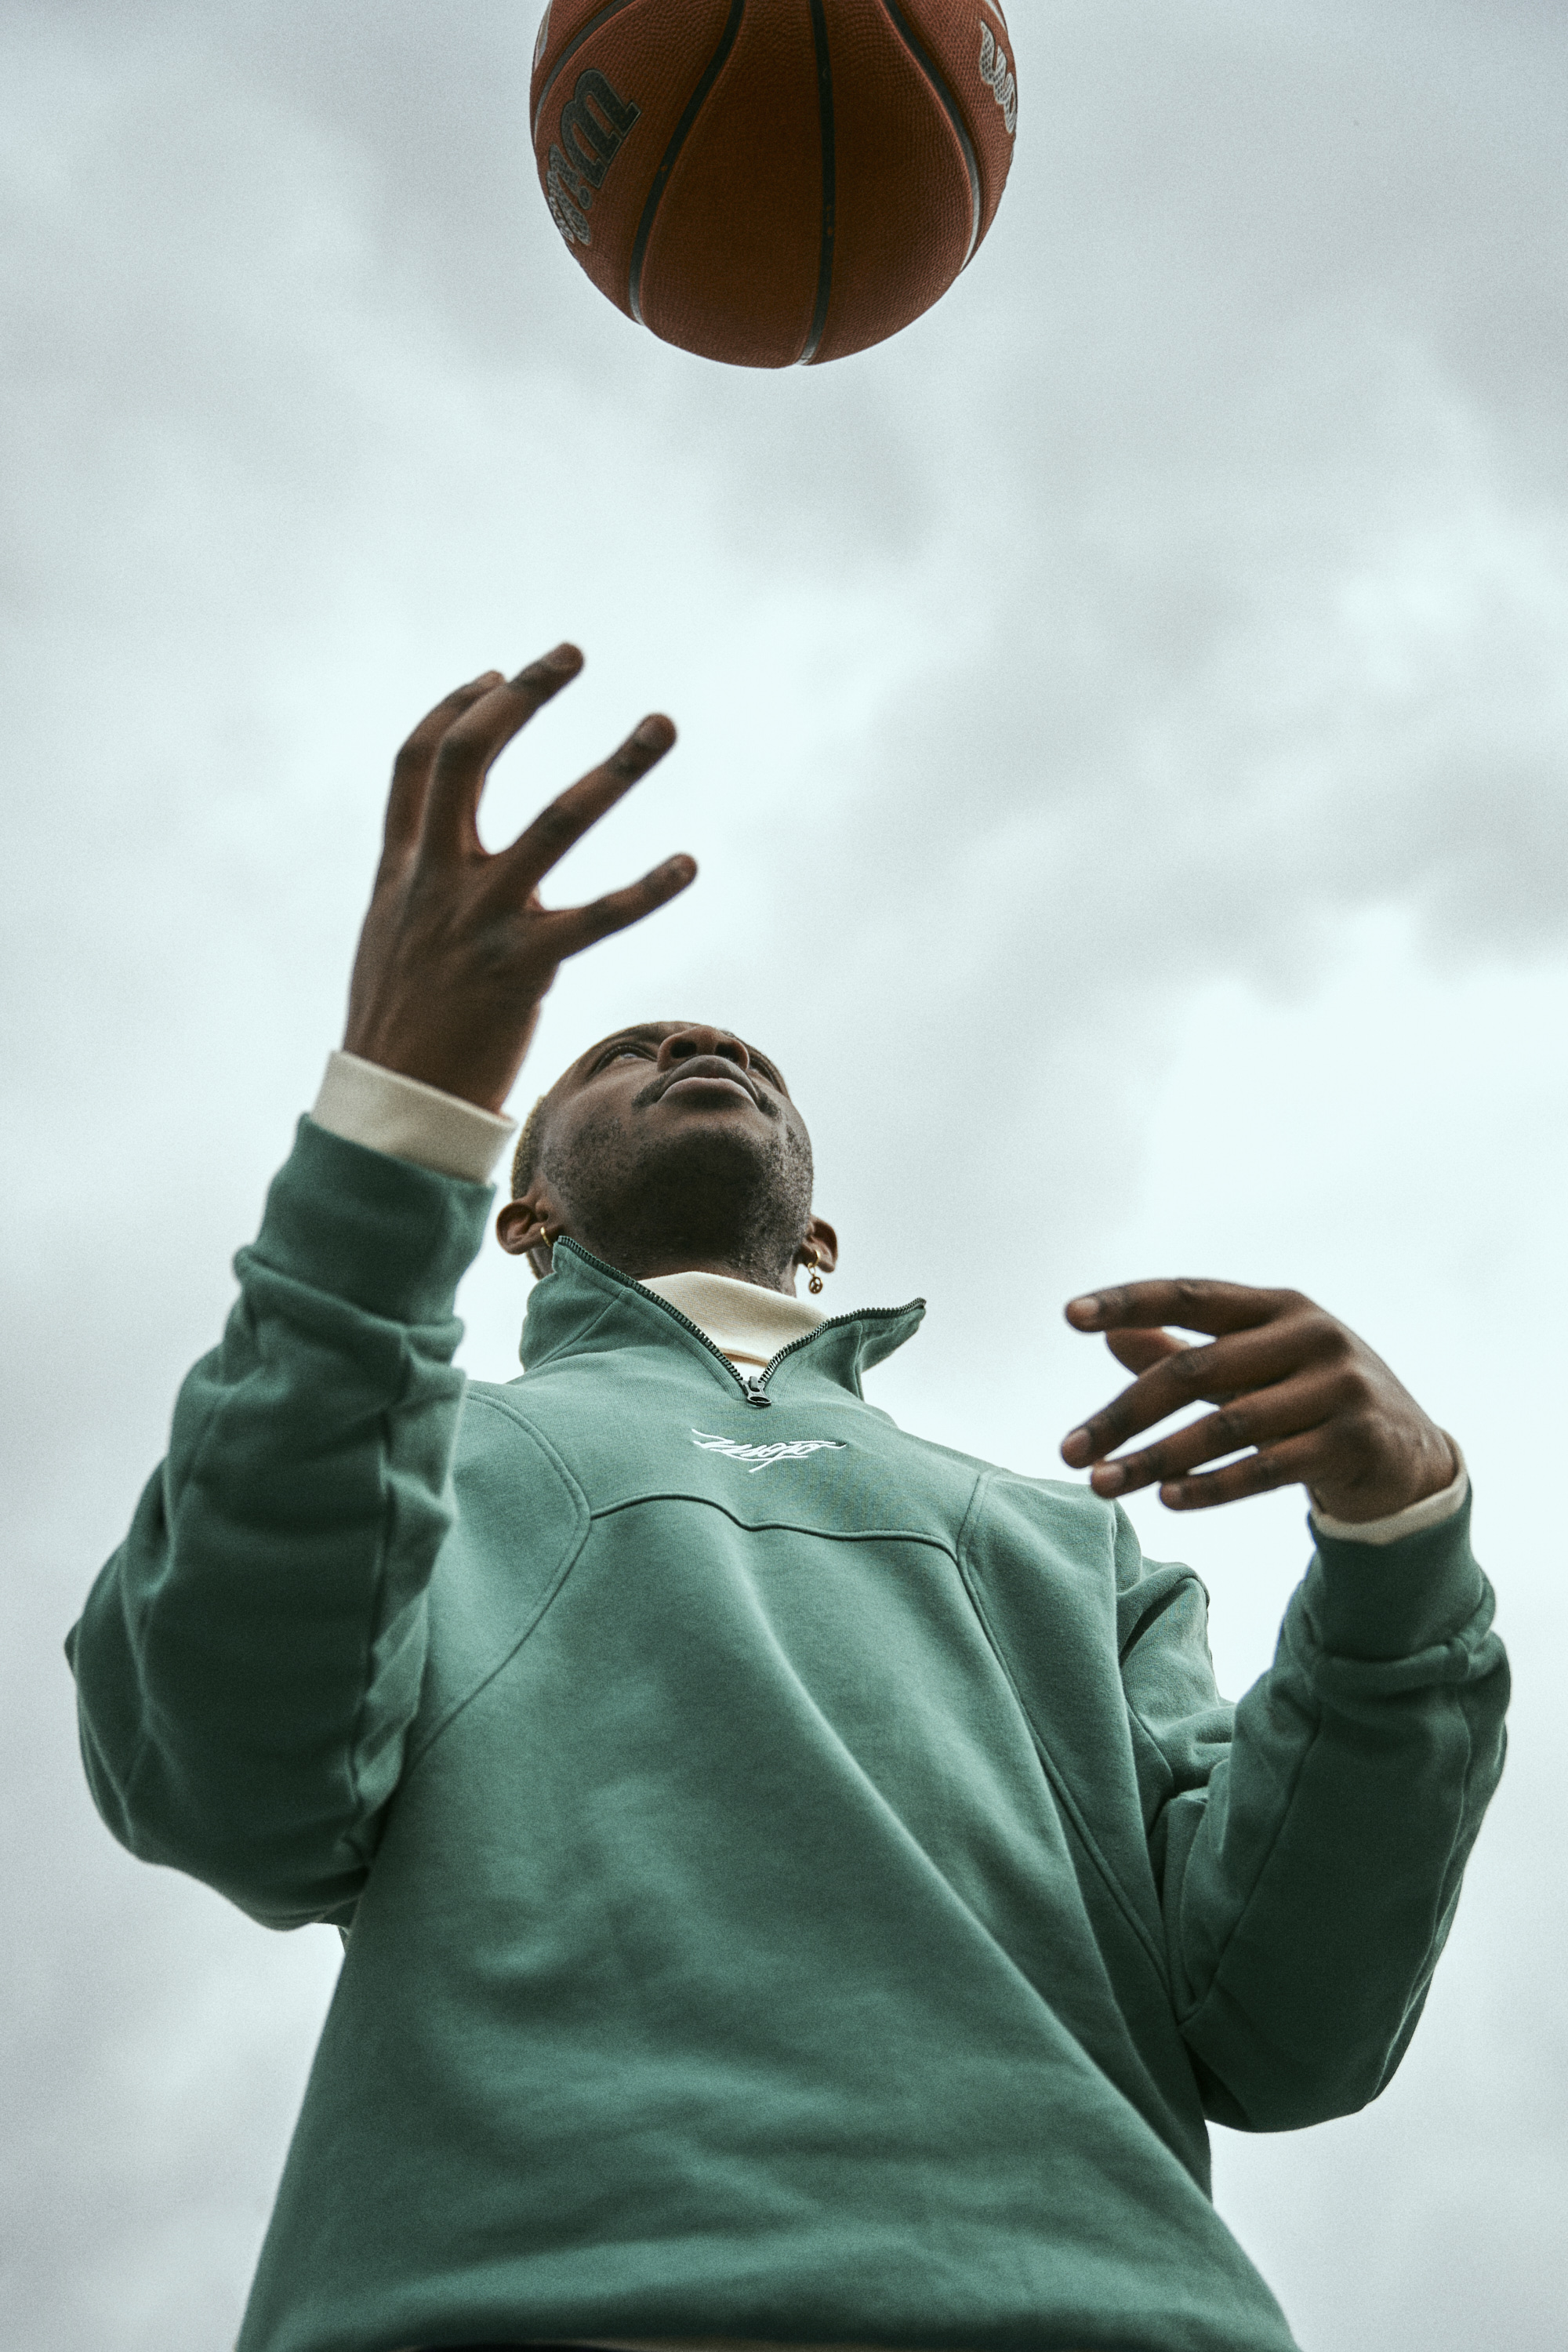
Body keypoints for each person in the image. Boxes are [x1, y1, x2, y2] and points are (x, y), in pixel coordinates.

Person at [68, 652, 1508, 2352]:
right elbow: (225, 1785)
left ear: (819, 1240)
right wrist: (394, 1122)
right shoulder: (389, 1446)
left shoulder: (1066, 1544)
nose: (695, 1045)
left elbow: (1284, 2028)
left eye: (738, 1049)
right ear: (523, 1217)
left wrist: (1403, 1557)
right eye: (627, 1051)